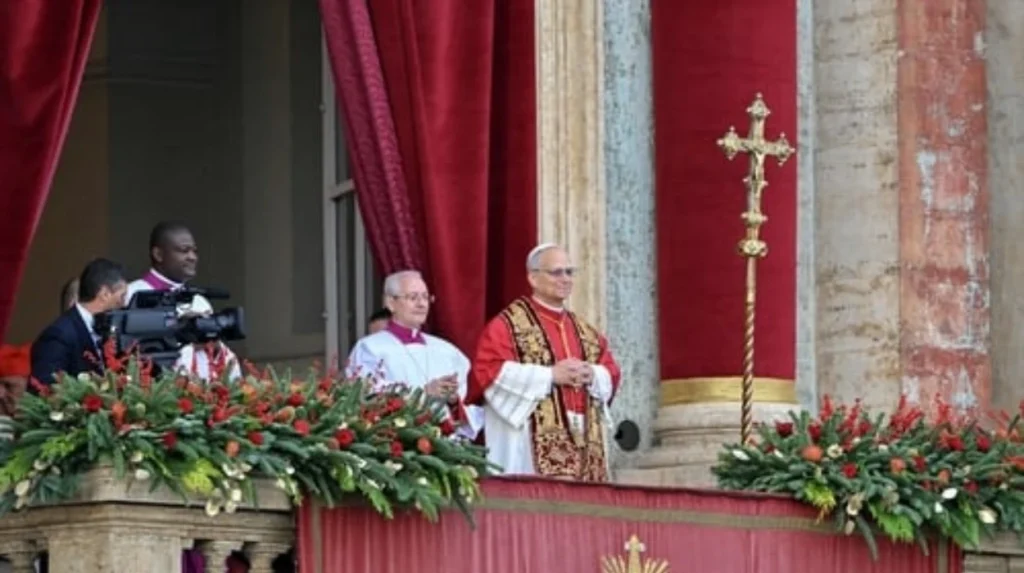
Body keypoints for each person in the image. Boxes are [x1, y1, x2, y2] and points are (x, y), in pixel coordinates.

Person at [469, 244, 621, 482]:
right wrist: (550, 376)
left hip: (583, 437)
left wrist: (592, 374)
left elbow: (611, 372)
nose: (565, 279)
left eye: (569, 272)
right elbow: (488, 373)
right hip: (530, 438)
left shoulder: (586, 332)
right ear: (533, 278)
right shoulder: (507, 326)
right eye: (556, 272)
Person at [347, 271, 479, 438]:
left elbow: (468, 407)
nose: (421, 304)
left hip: (445, 448)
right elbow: (367, 398)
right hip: (396, 447)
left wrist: (453, 401)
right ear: (390, 302)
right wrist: (424, 394)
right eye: (413, 297)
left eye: (425, 297)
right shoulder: (370, 349)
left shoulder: (447, 351)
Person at [127, 221, 240, 380]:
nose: (192, 257)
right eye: (184, 250)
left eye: (195, 251)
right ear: (158, 254)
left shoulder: (199, 301)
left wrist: (212, 346)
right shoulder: (132, 294)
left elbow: (213, 356)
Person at [30, 258, 128, 388]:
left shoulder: (108, 330)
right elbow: (45, 389)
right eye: (121, 296)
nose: (123, 304)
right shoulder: (58, 336)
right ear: (105, 294)